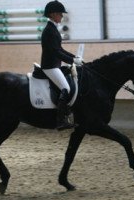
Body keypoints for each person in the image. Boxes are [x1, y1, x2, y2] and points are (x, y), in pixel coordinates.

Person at [41, 0, 83, 131]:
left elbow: (60, 49)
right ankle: (61, 121)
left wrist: (74, 58)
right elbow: (55, 52)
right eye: (60, 14)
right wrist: (72, 61)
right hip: (50, 66)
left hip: (55, 65)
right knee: (65, 87)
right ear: (53, 14)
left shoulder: (53, 28)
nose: (62, 16)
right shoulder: (49, 30)